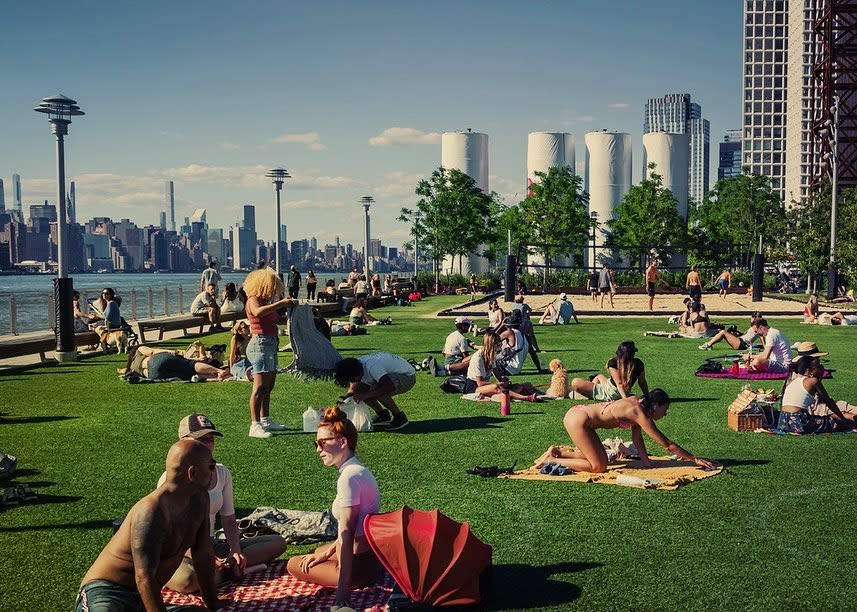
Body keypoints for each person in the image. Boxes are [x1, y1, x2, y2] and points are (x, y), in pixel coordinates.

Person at [75, 439, 228, 612]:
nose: (214, 470)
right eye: (211, 465)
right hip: (106, 593)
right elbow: (144, 577)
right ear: (192, 473)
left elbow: (202, 554)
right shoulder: (151, 511)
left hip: (141, 598)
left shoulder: (200, 499)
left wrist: (212, 602)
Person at [159, 415, 287, 594]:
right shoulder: (169, 480)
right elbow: (171, 535)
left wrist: (234, 551)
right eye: (201, 439)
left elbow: (228, 519)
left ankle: (224, 570)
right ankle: (226, 572)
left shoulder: (222, 472)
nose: (208, 444)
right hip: (180, 552)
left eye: (210, 439)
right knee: (186, 581)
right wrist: (204, 557)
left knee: (278, 543)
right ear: (182, 442)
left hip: (211, 545)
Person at [287, 406, 382, 605]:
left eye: (322, 443)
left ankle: (343, 577)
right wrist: (327, 553)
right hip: (370, 560)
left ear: (343, 442)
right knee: (314, 554)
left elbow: (346, 534)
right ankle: (334, 563)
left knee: (293, 564)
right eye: (316, 443)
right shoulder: (359, 470)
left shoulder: (348, 478)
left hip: (357, 568)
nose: (318, 449)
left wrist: (342, 591)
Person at [534, 389, 716, 473]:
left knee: (599, 460)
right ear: (655, 405)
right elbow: (667, 444)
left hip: (581, 416)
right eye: (664, 410)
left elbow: (637, 438)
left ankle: (559, 453)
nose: (665, 414)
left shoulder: (638, 405)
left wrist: (647, 462)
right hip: (578, 420)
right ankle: (551, 459)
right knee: (598, 467)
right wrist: (694, 459)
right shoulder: (638, 412)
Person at [244, 267, 295, 438]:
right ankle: (254, 424)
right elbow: (258, 313)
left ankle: (265, 419)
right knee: (259, 387)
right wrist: (281, 304)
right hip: (260, 343)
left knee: (269, 386)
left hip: (271, 343)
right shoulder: (253, 300)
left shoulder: (266, 302)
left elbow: (273, 318)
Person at [778, 355, 857, 433]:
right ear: (809, 371)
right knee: (836, 422)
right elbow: (829, 402)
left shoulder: (794, 381)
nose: (821, 368)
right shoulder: (813, 381)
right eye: (818, 366)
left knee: (830, 418)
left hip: (783, 422)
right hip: (800, 422)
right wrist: (842, 418)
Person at [334, 353, 414, 430]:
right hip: (390, 376)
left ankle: (399, 417)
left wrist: (365, 395)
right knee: (363, 392)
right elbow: (354, 388)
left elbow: (389, 386)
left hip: (407, 376)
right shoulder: (355, 368)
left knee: (377, 389)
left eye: (353, 379)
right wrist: (346, 398)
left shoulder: (372, 366)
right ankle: (382, 415)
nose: (353, 381)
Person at [466, 330, 539, 401]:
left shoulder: (491, 355)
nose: (500, 346)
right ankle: (526, 398)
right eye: (499, 344)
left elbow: (495, 371)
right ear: (492, 345)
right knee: (496, 387)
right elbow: (480, 383)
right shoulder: (478, 358)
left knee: (520, 386)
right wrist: (498, 383)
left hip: (485, 385)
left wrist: (503, 380)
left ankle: (523, 393)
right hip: (474, 387)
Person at [570, 340, 649, 401]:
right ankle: (591, 390)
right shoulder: (639, 363)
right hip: (619, 390)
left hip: (610, 393)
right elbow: (642, 383)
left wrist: (625, 400)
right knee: (599, 376)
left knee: (575, 382)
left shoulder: (613, 363)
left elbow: (619, 383)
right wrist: (648, 396)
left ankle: (590, 393)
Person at [121, 345, 230, 381]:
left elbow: (122, 371)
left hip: (153, 375)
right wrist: (169, 351)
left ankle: (215, 377)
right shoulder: (139, 349)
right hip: (155, 361)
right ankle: (219, 371)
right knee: (189, 365)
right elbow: (152, 352)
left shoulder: (131, 367)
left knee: (188, 376)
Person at [499, 309, 539, 373]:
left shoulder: (509, 333)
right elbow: (533, 354)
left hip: (507, 367)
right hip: (517, 370)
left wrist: (501, 325)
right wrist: (539, 369)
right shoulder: (525, 336)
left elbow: (490, 340)